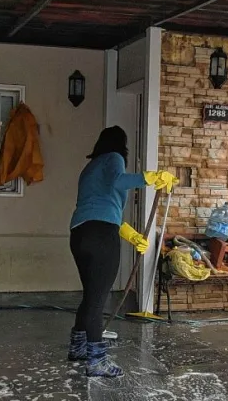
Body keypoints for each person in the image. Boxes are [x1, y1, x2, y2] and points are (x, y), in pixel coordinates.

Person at [68, 126, 177, 377]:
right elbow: (119, 183)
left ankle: (79, 345)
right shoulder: (114, 158)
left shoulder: (90, 169)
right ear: (122, 145)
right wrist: (148, 177)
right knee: (98, 298)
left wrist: (131, 234)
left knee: (91, 294)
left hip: (79, 233)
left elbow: (102, 209)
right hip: (101, 235)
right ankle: (96, 360)